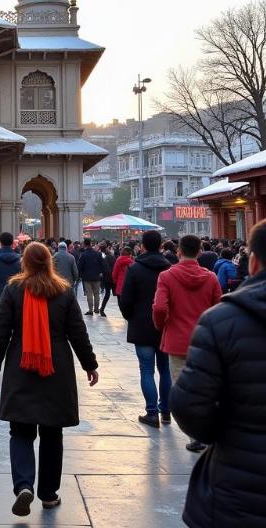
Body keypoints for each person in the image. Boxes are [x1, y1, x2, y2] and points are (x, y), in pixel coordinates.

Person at [0, 241, 98, 517]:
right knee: (52, 432)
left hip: (22, 367)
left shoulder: (14, 290)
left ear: (25, 262)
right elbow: (77, 333)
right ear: (49, 262)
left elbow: (0, 332)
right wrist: (89, 364)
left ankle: (24, 485)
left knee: (20, 431)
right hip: (56, 369)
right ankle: (48, 494)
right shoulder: (63, 291)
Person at [170, 220, 266, 528]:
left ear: (252, 262)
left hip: (238, 485)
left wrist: (223, 435)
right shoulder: (215, 299)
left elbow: (189, 405)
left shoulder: (221, 321)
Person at [152, 233, 222, 452]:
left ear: (178, 251)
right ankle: (209, 428)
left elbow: (160, 307)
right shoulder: (210, 277)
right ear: (200, 252)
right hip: (204, 341)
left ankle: (195, 434)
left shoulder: (167, 276)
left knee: (181, 387)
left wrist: (161, 325)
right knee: (205, 386)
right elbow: (219, 307)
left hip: (178, 340)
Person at [118, 230, 172, 428]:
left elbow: (125, 300)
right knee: (165, 369)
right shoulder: (170, 269)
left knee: (147, 370)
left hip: (142, 326)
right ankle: (166, 410)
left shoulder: (135, 269)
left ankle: (152, 412)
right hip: (165, 326)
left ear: (142, 245)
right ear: (161, 246)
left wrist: (131, 317)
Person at [77, 238, 106, 316]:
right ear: (90, 243)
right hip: (96, 276)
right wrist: (101, 272)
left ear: (84, 244)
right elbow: (102, 264)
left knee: (89, 293)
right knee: (96, 293)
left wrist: (80, 275)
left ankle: (90, 310)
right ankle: (96, 309)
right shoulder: (98, 254)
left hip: (86, 277)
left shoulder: (83, 255)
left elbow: (79, 266)